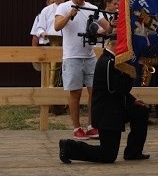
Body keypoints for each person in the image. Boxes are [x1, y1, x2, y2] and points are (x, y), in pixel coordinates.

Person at [59, 35, 150, 164]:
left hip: (116, 108)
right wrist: (131, 73)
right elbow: (115, 88)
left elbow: (119, 91)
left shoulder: (115, 61)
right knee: (108, 154)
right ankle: (69, 147)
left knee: (140, 111)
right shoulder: (108, 62)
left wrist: (132, 101)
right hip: (107, 114)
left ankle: (133, 151)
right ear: (114, 45)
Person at [54, 0, 111, 140]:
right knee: (75, 93)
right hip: (72, 56)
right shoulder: (64, 7)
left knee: (95, 92)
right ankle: (77, 127)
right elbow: (57, 26)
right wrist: (69, 15)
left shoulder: (92, 8)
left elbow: (106, 28)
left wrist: (110, 25)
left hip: (89, 56)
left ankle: (92, 125)